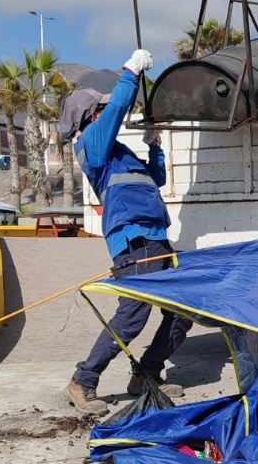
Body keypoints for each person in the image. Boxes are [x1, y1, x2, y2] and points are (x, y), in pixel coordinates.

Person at [59, 49, 192, 417]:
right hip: (133, 240)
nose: (106, 111)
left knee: (181, 313)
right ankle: (83, 380)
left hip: (156, 237)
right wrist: (130, 72)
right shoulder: (91, 143)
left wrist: (154, 149)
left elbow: (157, 180)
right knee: (132, 316)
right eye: (100, 108)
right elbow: (117, 109)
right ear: (91, 116)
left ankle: (146, 373)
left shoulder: (118, 152)